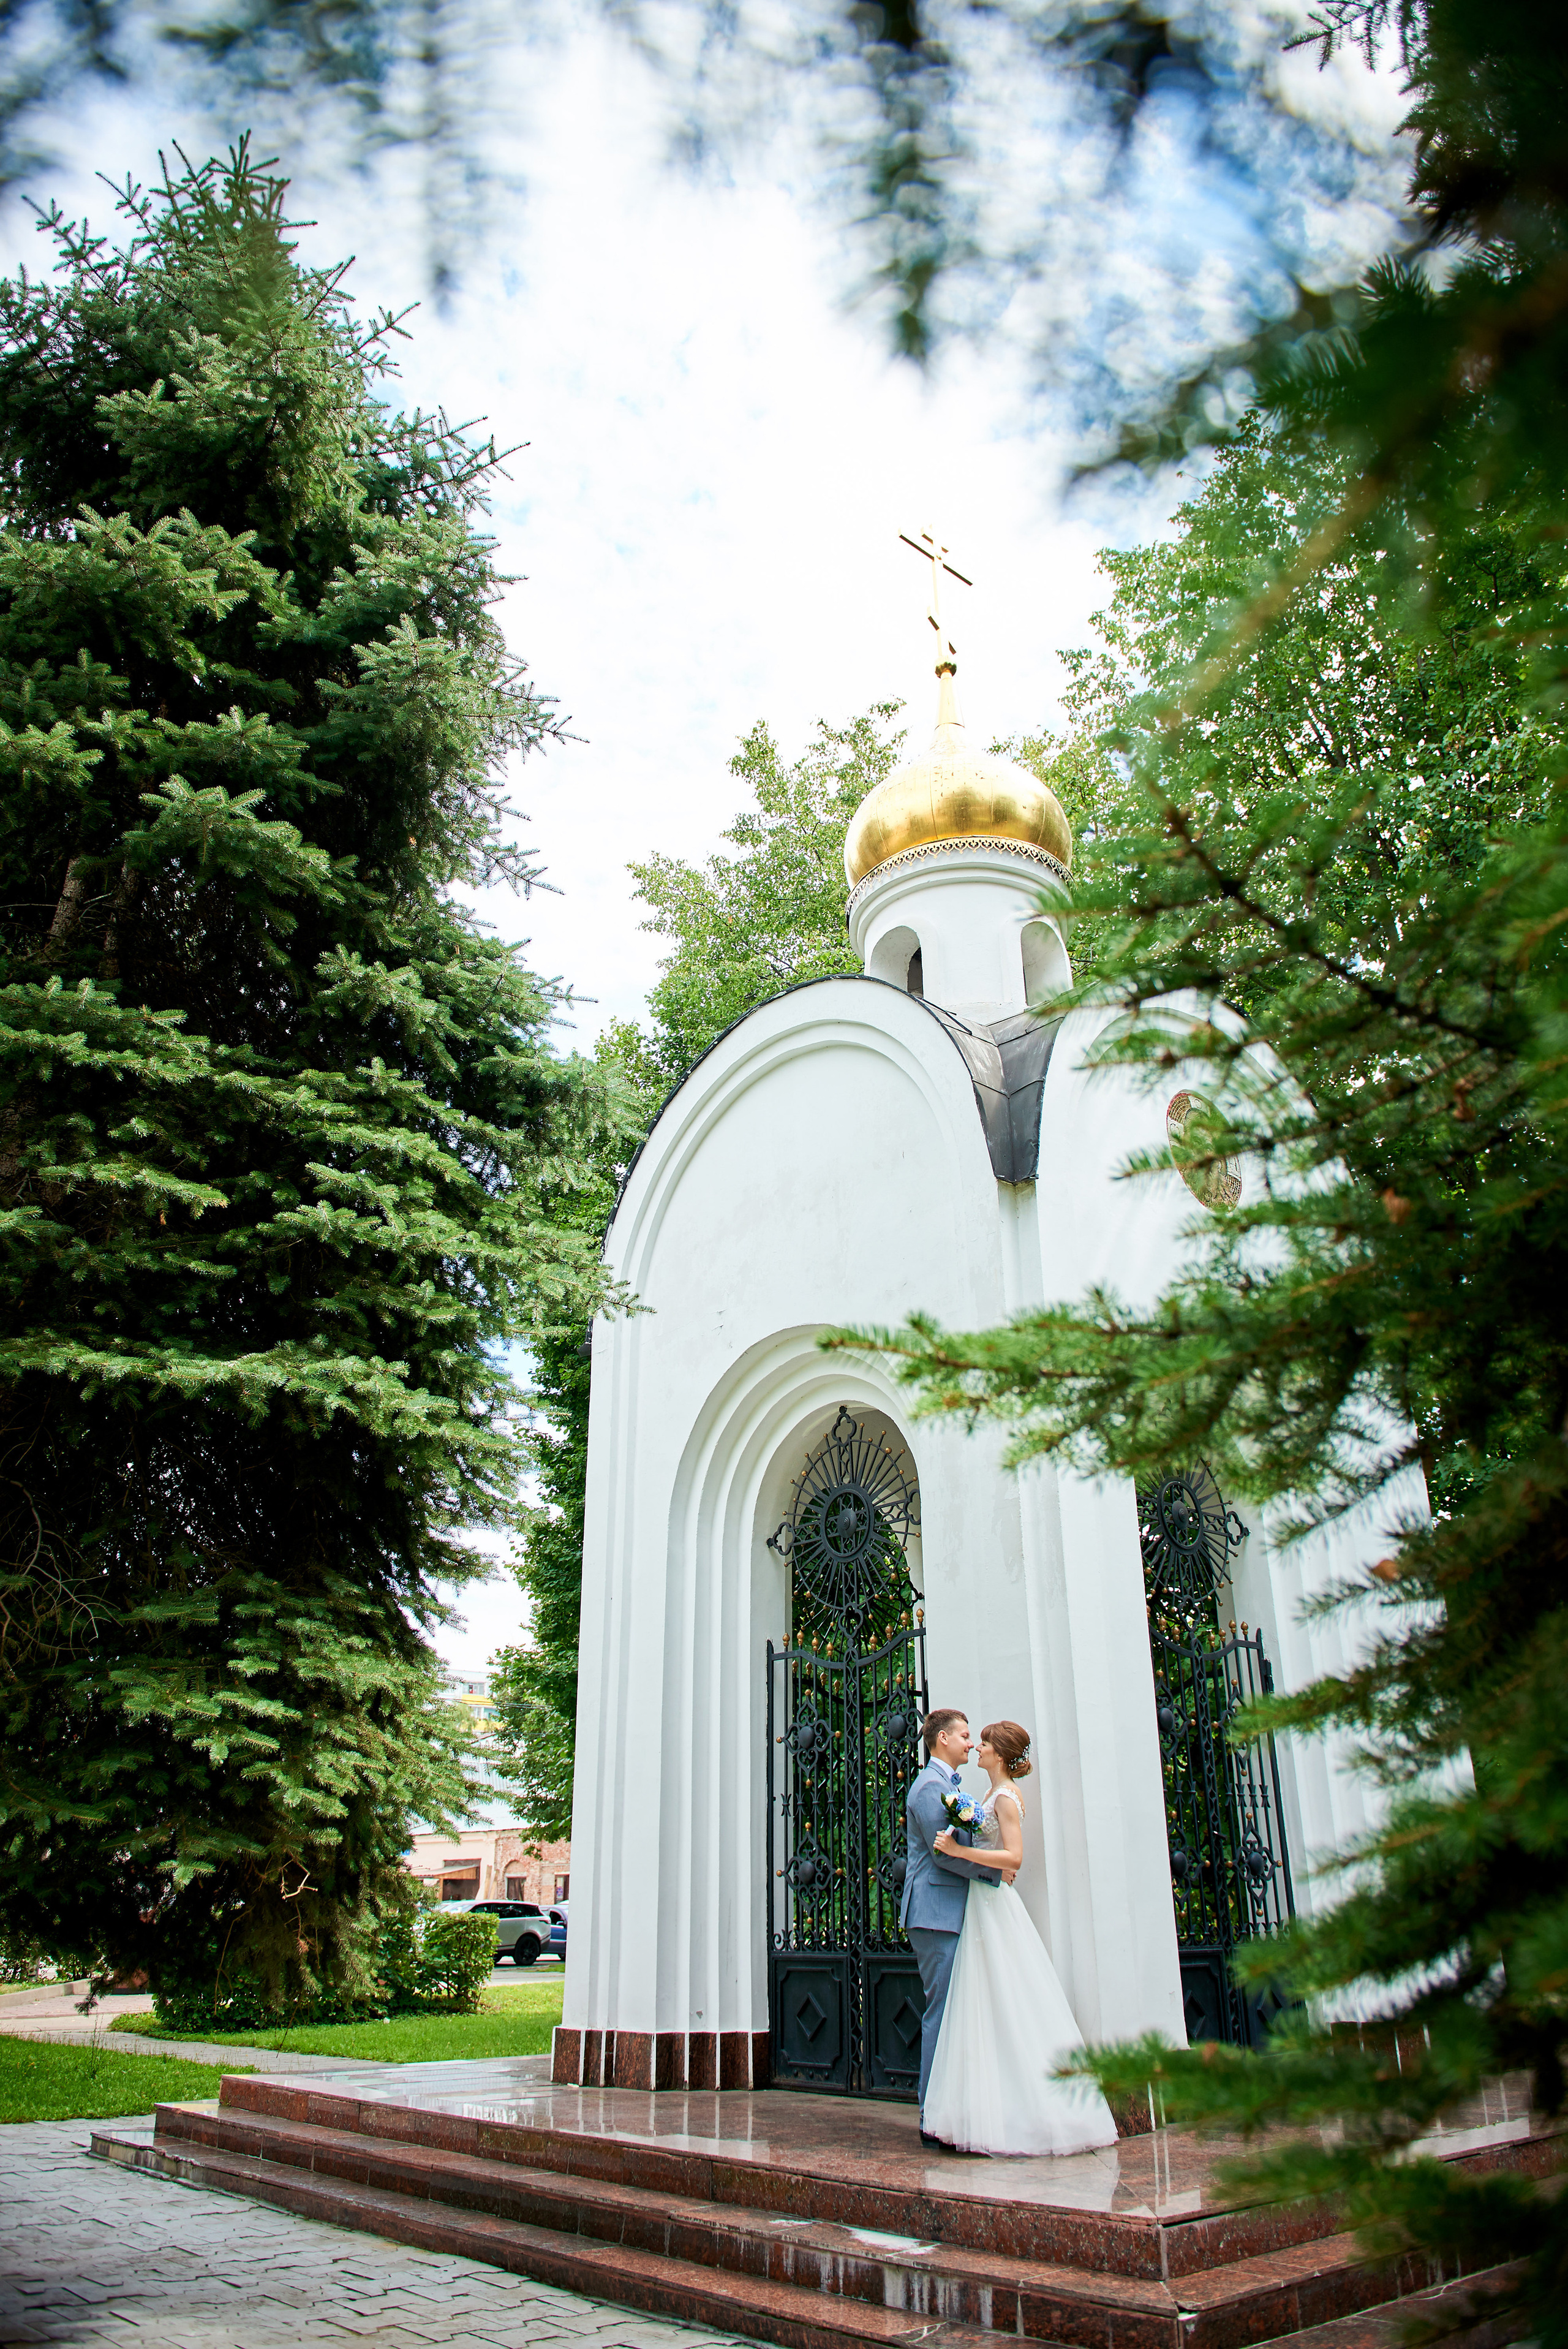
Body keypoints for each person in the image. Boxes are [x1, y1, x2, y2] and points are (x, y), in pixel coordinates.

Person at [922, 1719, 1119, 2158]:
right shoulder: (987, 1797)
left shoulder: (1007, 1798)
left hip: (997, 1905)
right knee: (984, 2003)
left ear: (1000, 1753)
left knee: (1012, 1999)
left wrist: (958, 1850)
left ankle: (1035, 2114)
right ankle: (984, 2109)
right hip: (980, 1904)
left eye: (984, 1743)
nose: (977, 1749)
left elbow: (1014, 1856)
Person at [900, 1707, 1003, 2147]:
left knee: (956, 2013)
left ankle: (952, 2111)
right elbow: (943, 1855)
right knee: (941, 2013)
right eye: (963, 1735)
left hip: (950, 1910)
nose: (970, 1743)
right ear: (941, 1739)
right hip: (934, 1913)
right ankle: (931, 2117)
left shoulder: (947, 1786)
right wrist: (993, 1874)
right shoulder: (930, 1788)